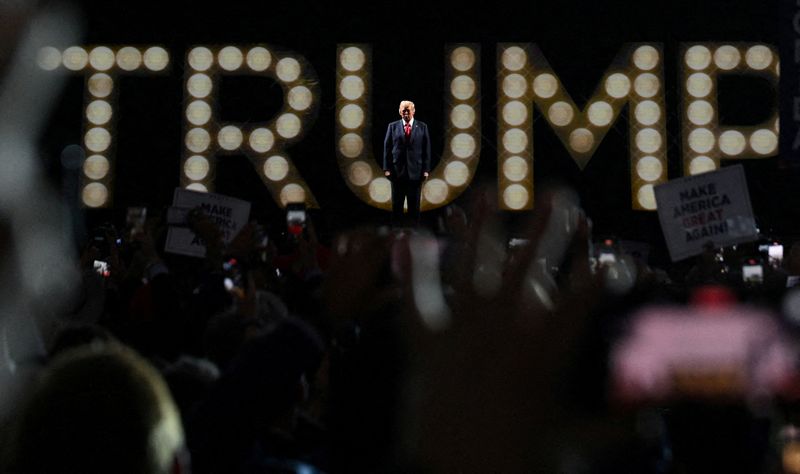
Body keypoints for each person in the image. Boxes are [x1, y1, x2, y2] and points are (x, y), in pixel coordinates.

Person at [383, 100, 431, 227]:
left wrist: (426, 170)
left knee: (414, 207)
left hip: (416, 173)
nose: (405, 112)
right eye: (403, 109)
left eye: (408, 109)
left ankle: (414, 234)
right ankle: (396, 234)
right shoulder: (392, 127)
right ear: (399, 111)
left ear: (413, 111)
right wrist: (387, 168)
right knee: (397, 206)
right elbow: (387, 149)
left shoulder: (422, 127)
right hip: (397, 172)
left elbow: (426, 150)